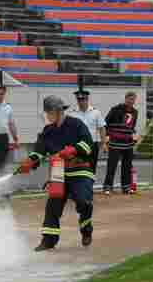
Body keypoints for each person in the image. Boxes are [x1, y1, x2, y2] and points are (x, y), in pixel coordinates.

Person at [19, 95, 95, 251]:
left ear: (57, 112)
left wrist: (74, 150)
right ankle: (48, 240)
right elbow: (39, 152)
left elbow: (89, 145)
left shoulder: (76, 124)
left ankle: (86, 230)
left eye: (48, 113)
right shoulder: (48, 131)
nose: (46, 116)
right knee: (53, 205)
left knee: (83, 202)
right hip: (58, 172)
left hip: (80, 170)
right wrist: (30, 161)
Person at [103, 92, 141, 195]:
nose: (131, 101)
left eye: (133, 99)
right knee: (112, 166)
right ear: (125, 99)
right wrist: (106, 138)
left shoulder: (135, 112)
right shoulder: (115, 109)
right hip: (114, 142)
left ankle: (126, 187)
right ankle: (107, 187)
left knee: (127, 166)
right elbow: (105, 123)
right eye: (129, 99)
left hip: (128, 143)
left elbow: (132, 127)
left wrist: (135, 137)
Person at [67, 89, 107, 173]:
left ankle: (89, 185)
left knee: (92, 167)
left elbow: (102, 128)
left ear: (87, 99)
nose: (81, 102)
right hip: (78, 145)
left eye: (83, 99)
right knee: (77, 168)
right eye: (79, 100)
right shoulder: (72, 113)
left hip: (92, 144)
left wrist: (103, 144)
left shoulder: (96, 112)